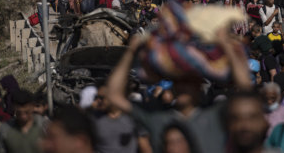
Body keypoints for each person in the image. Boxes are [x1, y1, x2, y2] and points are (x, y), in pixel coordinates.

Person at [106, 31, 252, 153]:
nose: (181, 86)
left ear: (199, 84)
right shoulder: (157, 116)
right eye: (177, 81)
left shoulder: (215, 115)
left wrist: (226, 47)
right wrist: (131, 52)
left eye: (187, 81)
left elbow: (246, 90)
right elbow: (113, 95)